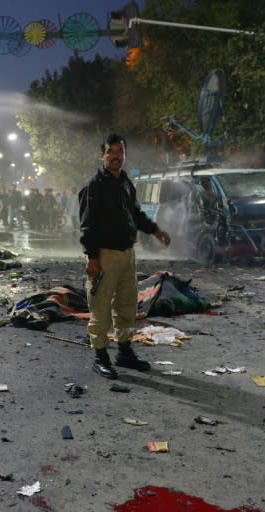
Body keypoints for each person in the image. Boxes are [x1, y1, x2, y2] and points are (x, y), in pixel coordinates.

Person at [79, 133, 171, 380]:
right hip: (104, 256)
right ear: (103, 155)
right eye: (111, 152)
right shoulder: (94, 186)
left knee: (127, 306)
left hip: (127, 255)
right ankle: (100, 357)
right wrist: (92, 258)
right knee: (100, 308)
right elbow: (87, 226)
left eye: (120, 152)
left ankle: (124, 352)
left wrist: (155, 231)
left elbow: (136, 214)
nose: (115, 156)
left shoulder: (126, 184)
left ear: (125, 155)